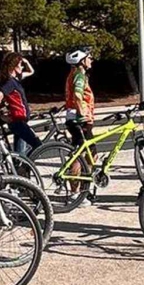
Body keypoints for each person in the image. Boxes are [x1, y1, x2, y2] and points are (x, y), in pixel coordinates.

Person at [0, 52, 40, 155]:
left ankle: (20, 168)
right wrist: (2, 116)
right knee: (38, 145)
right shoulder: (10, 83)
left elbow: (31, 71)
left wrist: (25, 61)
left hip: (21, 121)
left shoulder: (16, 80)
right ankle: (23, 168)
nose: (22, 67)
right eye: (20, 64)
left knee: (20, 152)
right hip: (18, 122)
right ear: (14, 66)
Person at [62, 48, 96, 193]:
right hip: (80, 119)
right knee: (81, 155)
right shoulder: (80, 76)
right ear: (82, 60)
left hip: (74, 117)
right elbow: (77, 94)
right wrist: (82, 113)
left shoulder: (73, 74)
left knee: (90, 153)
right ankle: (77, 192)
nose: (91, 59)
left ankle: (83, 188)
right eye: (89, 57)